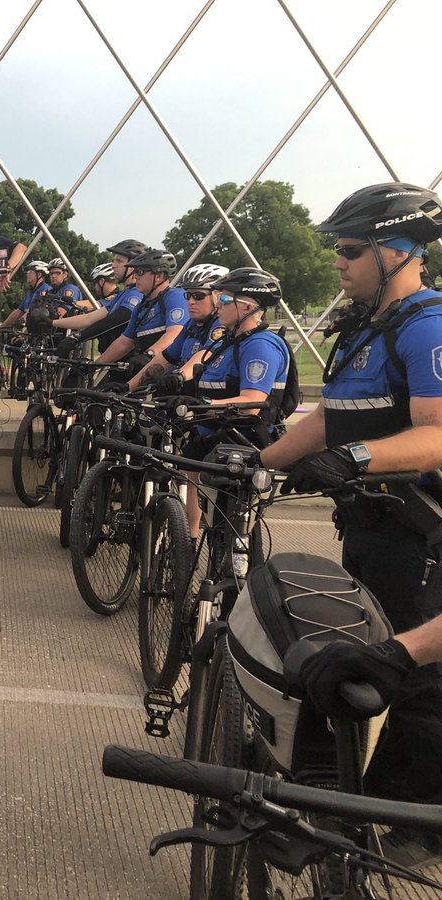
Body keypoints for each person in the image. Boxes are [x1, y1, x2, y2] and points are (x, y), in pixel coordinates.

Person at [260, 183, 442, 868]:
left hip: (417, 534)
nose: (337, 262)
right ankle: (350, 802)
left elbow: (437, 436)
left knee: (412, 672)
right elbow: (329, 419)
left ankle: (416, 824)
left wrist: (354, 460)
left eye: (348, 249)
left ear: (396, 252)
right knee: (353, 652)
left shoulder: (427, 324)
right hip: (368, 525)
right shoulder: (367, 326)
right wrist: (258, 459)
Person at [172, 268, 290, 540]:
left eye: (224, 300)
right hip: (212, 436)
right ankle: (189, 540)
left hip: (239, 444)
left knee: (232, 532)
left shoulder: (260, 345)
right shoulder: (228, 341)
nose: (217, 305)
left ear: (247, 307)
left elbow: (251, 402)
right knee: (191, 477)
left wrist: (199, 405)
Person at [93, 248, 188, 376]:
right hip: (147, 375)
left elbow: (175, 332)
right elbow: (124, 343)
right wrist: (94, 365)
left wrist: (149, 354)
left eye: (140, 272)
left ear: (159, 276)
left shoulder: (174, 296)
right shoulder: (141, 306)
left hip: (171, 377)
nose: (135, 276)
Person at [135, 263, 229, 387]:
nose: (191, 302)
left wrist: (180, 375)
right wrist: (128, 386)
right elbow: (165, 359)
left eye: (198, 296)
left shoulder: (221, 324)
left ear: (217, 297)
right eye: (188, 295)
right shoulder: (192, 325)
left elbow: (206, 354)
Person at [51, 240, 148, 354]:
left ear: (132, 266)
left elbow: (114, 320)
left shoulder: (136, 293)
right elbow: (89, 318)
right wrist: (52, 322)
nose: (113, 265)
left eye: (119, 261)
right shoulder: (123, 294)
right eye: (114, 261)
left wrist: (79, 336)